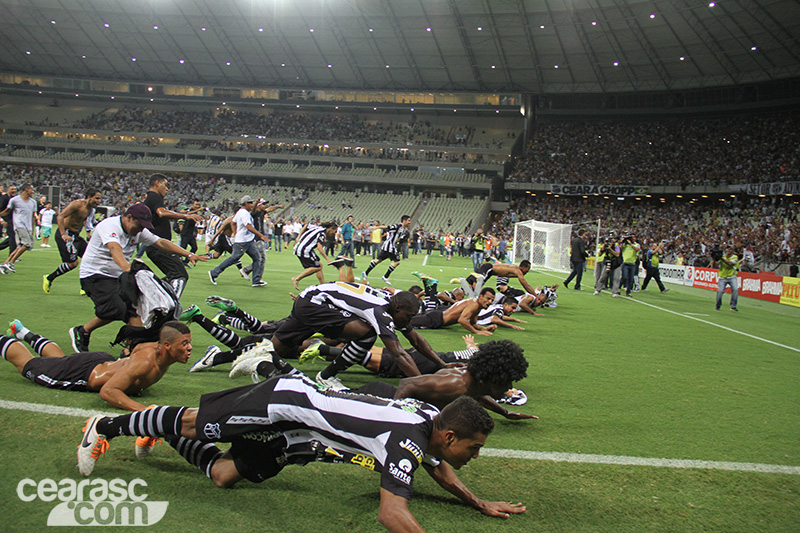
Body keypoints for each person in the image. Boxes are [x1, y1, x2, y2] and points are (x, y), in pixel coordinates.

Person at [77, 381, 526, 530]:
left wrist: (479, 502)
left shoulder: (430, 419)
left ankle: (160, 432)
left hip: (295, 431)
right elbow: (391, 514)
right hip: (284, 402)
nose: (475, 455)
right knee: (196, 422)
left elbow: (439, 467)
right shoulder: (405, 441)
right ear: (450, 435)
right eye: (474, 447)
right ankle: (106, 427)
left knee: (224, 475)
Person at [69, 203, 207, 352]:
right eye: (139, 225)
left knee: (136, 310)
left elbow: (160, 242)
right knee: (117, 308)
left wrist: (189, 254)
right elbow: (114, 248)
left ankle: (132, 349)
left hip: (119, 276)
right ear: (129, 217)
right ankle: (82, 331)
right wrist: (127, 268)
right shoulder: (109, 226)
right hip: (95, 274)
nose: (141, 230)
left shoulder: (138, 230)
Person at [277, 281, 449, 388]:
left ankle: (261, 354)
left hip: (310, 298)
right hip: (316, 304)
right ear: (398, 308)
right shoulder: (380, 312)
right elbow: (398, 354)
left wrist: (443, 365)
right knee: (366, 334)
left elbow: (416, 340)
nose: (409, 321)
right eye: (409, 316)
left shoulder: (391, 303)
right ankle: (326, 376)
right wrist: (423, 385)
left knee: (277, 349)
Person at [1, 320, 192, 411]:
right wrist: (144, 410)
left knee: (61, 361)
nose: (189, 348)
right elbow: (108, 391)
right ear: (167, 346)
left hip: (100, 362)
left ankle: (22, 331)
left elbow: (138, 348)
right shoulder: (146, 362)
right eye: (184, 344)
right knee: (27, 365)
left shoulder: (157, 350)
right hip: (85, 374)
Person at [143, 174, 204, 297]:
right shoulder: (154, 196)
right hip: (159, 247)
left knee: (174, 276)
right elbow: (161, 213)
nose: (167, 189)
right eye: (165, 185)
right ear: (157, 183)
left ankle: (149, 294)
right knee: (179, 275)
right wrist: (185, 216)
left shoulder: (150, 198)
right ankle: (170, 304)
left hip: (159, 246)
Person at [42, 189, 102, 294]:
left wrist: (88, 233)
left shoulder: (90, 210)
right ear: (89, 197)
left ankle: (85, 287)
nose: (99, 201)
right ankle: (49, 278)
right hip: (65, 235)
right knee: (73, 263)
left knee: (90, 257)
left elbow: (84, 221)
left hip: (75, 236)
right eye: (96, 198)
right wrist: (63, 234)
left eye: (100, 199)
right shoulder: (77, 204)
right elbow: (60, 216)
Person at [208, 195, 268, 288]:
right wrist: (261, 235)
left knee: (258, 258)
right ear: (245, 203)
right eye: (250, 203)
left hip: (248, 240)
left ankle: (256, 280)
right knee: (234, 258)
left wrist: (236, 233)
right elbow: (248, 226)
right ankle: (214, 273)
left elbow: (233, 222)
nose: (252, 205)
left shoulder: (240, 212)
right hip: (243, 242)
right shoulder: (244, 213)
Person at [410, 287, 497, 336]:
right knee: (406, 322)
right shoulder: (474, 304)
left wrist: (483, 329)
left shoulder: (477, 306)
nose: (490, 302)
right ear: (481, 296)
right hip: (436, 319)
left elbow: (473, 323)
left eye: (492, 300)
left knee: (409, 320)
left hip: (437, 315)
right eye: (488, 299)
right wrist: (476, 332)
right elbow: (462, 320)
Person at [240, 199, 283, 282]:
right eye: (263, 204)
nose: (265, 206)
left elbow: (270, 209)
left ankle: (247, 271)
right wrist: (256, 202)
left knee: (260, 258)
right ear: (259, 205)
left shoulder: (262, 213)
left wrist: (279, 207)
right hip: (257, 238)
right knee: (262, 259)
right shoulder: (254, 213)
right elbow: (253, 210)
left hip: (260, 238)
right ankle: (255, 277)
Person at [362, 215, 411, 285]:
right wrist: (376, 227)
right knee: (397, 262)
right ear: (404, 221)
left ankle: (366, 273)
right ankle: (385, 276)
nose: (410, 222)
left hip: (389, 246)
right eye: (408, 220)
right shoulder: (397, 226)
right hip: (389, 247)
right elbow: (387, 227)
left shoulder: (403, 229)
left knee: (378, 260)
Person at [0, 183, 37, 273]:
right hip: (19, 225)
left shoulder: (33, 202)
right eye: (31, 190)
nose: (32, 192)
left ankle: (4, 265)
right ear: (26, 190)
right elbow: (6, 211)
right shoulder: (15, 200)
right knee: (27, 244)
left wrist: (32, 229)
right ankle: (11, 262)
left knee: (20, 247)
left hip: (28, 227)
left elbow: (33, 217)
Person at [290, 220, 338, 290]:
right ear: (331, 229)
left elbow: (306, 225)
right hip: (305, 250)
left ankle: (322, 286)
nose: (334, 233)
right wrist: (328, 259)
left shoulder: (317, 227)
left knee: (319, 265)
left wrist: (298, 237)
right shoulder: (322, 233)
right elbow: (319, 247)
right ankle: (296, 279)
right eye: (335, 231)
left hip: (302, 248)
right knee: (317, 267)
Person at [713, 245, 739, 311]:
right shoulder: (723, 256)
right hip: (722, 277)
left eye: (730, 249)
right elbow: (714, 265)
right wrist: (714, 258)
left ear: (733, 251)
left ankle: (733, 306)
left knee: (735, 290)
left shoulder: (734, 257)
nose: (728, 250)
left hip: (731, 276)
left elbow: (730, 263)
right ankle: (718, 305)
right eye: (728, 249)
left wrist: (720, 258)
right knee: (720, 291)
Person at [619, 233, 641, 297]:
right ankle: (619, 287)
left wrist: (630, 244)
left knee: (631, 279)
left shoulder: (636, 245)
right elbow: (620, 250)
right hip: (625, 263)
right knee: (624, 277)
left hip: (632, 263)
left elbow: (637, 250)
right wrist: (623, 242)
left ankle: (628, 292)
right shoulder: (625, 245)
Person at [0, 185, 17, 256]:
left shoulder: (14, 199)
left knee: (13, 237)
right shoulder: (4, 198)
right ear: (8, 190)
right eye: (12, 189)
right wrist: (1, 219)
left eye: (15, 189)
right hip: (6, 219)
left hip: (12, 220)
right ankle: (12, 255)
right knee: (13, 237)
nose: (14, 190)